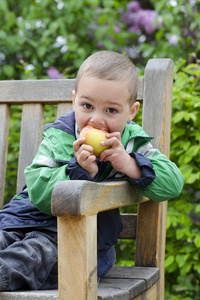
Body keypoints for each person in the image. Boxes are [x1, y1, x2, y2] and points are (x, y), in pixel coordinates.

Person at [0, 51, 184, 291]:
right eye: (87, 106)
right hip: (19, 222)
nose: (96, 120)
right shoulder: (59, 137)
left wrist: (129, 164)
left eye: (111, 111)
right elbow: (38, 190)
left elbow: (173, 183)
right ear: (74, 100)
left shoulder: (131, 143)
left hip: (79, 242)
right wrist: (75, 171)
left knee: (32, 255)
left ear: (131, 112)